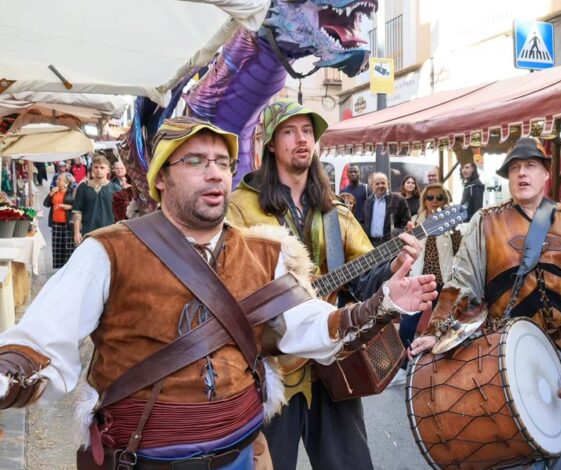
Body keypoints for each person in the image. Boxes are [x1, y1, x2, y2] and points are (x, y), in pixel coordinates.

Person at [0, 116, 437, 469]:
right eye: (194, 161)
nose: (214, 172)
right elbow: (39, 342)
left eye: (222, 162)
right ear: (161, 180)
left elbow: (303, 323)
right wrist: (9, 373)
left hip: (240, 456)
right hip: (141, 460)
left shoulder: (266, 251)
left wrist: (381, 303)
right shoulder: (109, 251)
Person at [227, 99, 423, 470]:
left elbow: (365, 281)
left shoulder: (334, 209)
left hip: (332, 363)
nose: (302, 140)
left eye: (307, 132)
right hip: (269, 369)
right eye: (290, 131)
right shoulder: (240, 208)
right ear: (270, 142)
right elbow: (231, 284)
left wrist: (394, 264)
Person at [410, 137, 561, 469]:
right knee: (513, 454)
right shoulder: (486, 222)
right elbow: (461, 283)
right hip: (506, 360)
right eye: (515, 168)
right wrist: (436, 331)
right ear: (508, 176)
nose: (522, 174)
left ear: (545, 174)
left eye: (531, 166)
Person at [391, 183, 462, 386]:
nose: (434, 201)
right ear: (424, 200)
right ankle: (403, 368)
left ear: (445, 200)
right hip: (420, 279)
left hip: (445, 280)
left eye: (439, 197)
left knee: (446, 325)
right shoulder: (415, 221)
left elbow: (459, 252)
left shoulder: (452, 222)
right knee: (407, 324)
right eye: (430, 197)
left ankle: (444, 369)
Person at [72, 155, 121, 245]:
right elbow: (77, 212)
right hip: (88, 232)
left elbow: (121, 215)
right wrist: (76, 232)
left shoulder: (116, 189)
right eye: (96, 167)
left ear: (108, 170)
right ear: (92, 169)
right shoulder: (83, 188)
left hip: (109, 233)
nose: (99, 170)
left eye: (102, 167)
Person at [363, 172, 411, 246]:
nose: (380, 186)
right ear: (372, 186)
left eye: (383, 183)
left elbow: (406, 223)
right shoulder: (367, 202)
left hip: (391, 245)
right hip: (371, 244)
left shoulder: (399, 200)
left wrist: (394, 235)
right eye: (377, 184)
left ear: (388, 184)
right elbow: (364, 223)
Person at [42, 172, 76, 268]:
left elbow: (78, 206)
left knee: (68, 246)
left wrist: (69, 207)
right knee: (57, 247)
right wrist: (51, 194)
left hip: (68, 222)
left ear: (66, 182)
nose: (57, 181)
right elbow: (46, 204)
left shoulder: (72, 192)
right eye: (57, 179)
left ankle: (69, 267)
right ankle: (60, 269)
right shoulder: (54, 191)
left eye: (59, 179)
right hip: (56, 222)